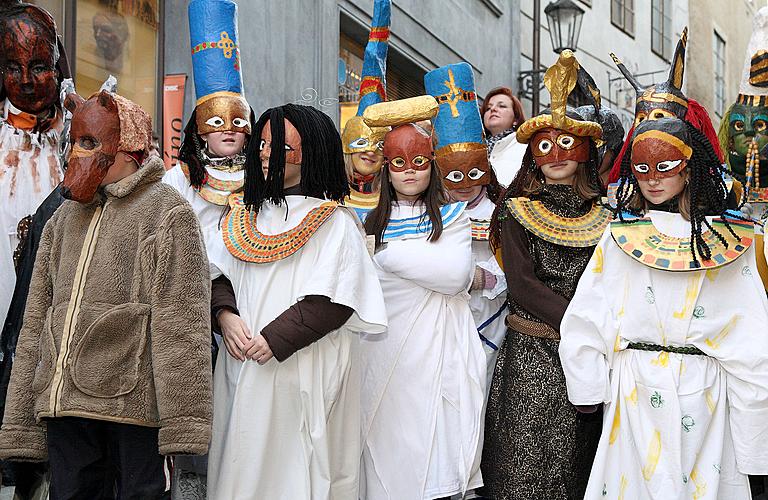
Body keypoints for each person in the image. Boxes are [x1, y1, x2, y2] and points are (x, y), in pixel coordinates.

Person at [0, 89, 213, 499]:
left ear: (129, 147)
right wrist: (22, 419)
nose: (75, 154)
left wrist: (184, 422)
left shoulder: (166, 212)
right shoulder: (62, 218)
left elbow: (181, 325)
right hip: (65, 407)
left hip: (131, 408)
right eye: (75, 141)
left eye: (90, 142)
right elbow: (35, 321)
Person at [560, 112, 768, 499]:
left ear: (688, 168)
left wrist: (754, 436)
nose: (653, 179)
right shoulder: (620, 236)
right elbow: (590, 309)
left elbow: (751, 338)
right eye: (641, 169)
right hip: (633, 392)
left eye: (664, 167)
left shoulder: (727, 242)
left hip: (704, 394)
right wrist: (587, 382)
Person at [206, 103, 387, 500]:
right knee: (239, 463)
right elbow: (218, 274)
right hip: (242, 363)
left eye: (281, 147)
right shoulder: (242, 215)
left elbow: (336, 299)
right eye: (262, 144)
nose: (266, 153)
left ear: (314, 153)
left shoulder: (334, 221)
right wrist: (225, 315)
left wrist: (275, 339)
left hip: (301, 367)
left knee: (293, 471)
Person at [480, 50, 610, 500]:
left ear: (587, 149)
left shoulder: (608, 218)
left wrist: (595, 333)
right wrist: (584, 322)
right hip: (531, 355)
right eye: (545, 146)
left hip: (589, 357)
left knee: (580, 462)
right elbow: (523, 284)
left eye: (567, 143)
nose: (556, 155)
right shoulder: (516, 211)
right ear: (533, 154)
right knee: (522, 461)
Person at [360, 95, 487, 500]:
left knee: (436, 457)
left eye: (419, 161)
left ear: (432, 164)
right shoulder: (368, 220)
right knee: (388, 452)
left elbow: (452, 276)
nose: (409, 172)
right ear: (386, 168)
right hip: (385, 352)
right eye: (398, 163)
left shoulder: (453, 216)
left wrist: (385, 256)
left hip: (439, 353)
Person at [425, 62, 507, 392]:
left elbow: (512, 264)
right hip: (437, 321)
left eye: (473, 173)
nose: (464, 184)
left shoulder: (500, 213)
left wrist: (483, 277)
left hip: (487, 323)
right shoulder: (426, 212)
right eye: (453, 175)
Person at [340, 0, 391, 220]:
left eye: (380, 145)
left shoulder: (397, 197)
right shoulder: (324, 190)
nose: (371, 151)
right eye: (362, 142)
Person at [481, 86, 527, 186]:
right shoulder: (474, 148)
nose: (493, 109)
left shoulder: (526, 146)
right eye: (488, 108)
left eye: (502, 106)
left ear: (516, 119)